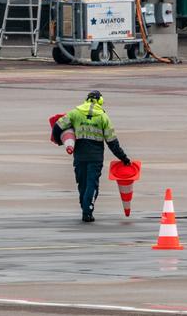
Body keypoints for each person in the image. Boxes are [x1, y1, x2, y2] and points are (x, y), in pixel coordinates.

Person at [51, 90, 131, 222]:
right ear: (100, 101)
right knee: (92, 184)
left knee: (82, 183)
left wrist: (60, 141)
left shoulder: (75, 113)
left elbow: (57, 127)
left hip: (79, 156)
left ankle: (85, 208)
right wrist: (124, 158)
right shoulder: (103, 117)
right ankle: (87, 211)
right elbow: (112, 142)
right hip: (95, 158)